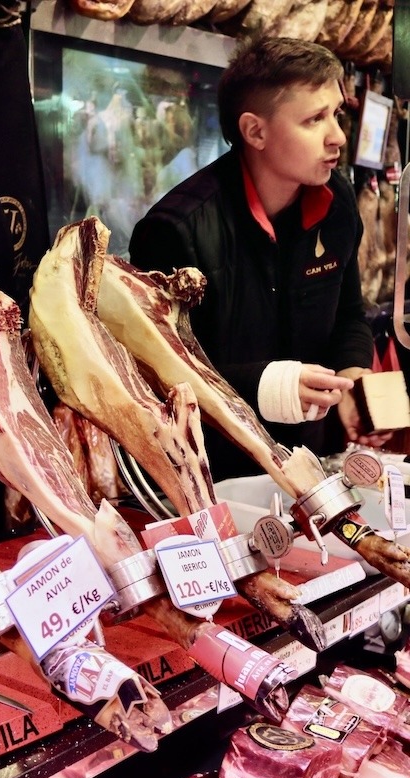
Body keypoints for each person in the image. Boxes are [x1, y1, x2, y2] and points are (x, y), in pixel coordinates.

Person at [128, 36, 391, 482]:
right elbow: (155, 373)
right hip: (214, 472)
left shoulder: (338, 201)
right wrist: (270, 385)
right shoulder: (176, 229)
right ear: (255, 132)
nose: (338, 137)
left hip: (311, 460)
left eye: (336, 114)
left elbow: (349, 313)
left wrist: (353, 380)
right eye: (314, 119)